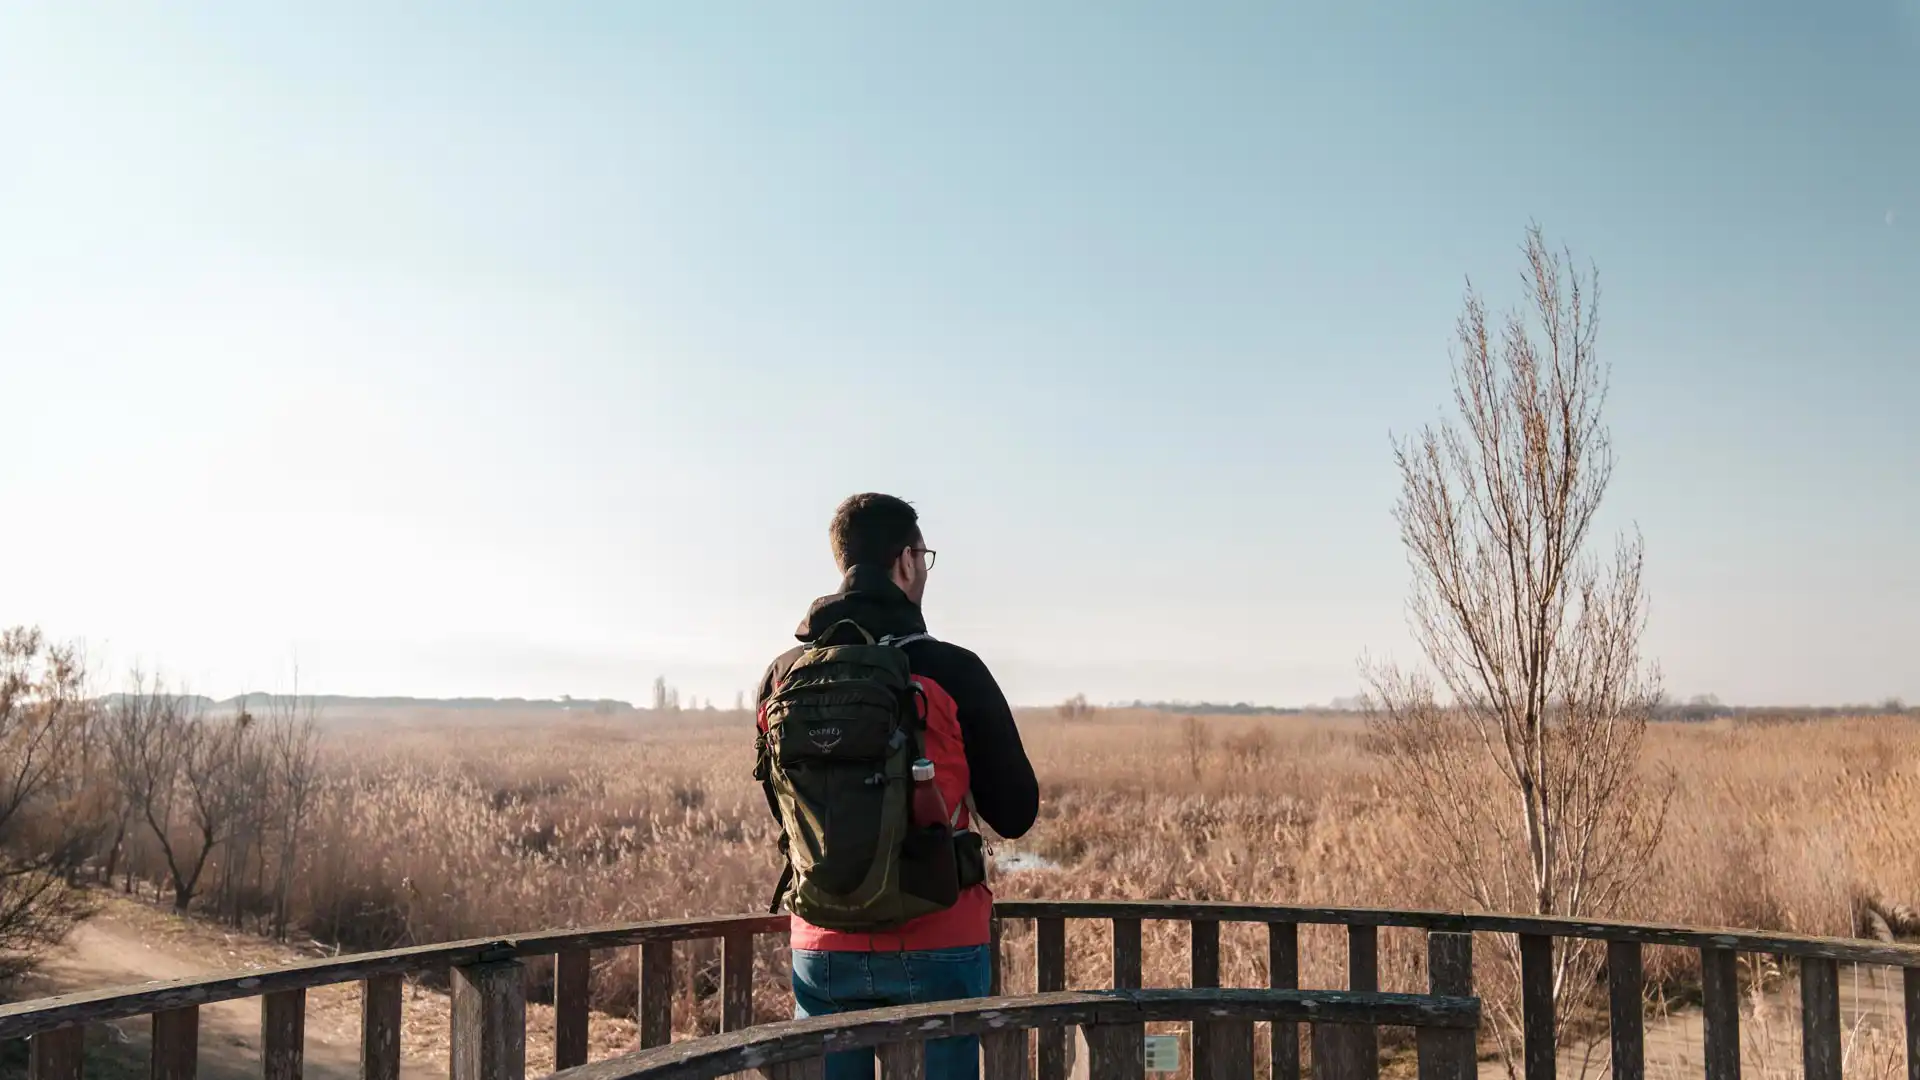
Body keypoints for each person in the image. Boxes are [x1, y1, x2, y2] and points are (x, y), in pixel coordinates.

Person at [755, 493, 1039, 1080]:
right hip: (941, 933)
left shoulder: (783, 676)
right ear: (907, 563)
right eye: (924, 558)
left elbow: (784, 809)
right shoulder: (954, 670)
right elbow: (1015, 813)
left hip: (822, 940)